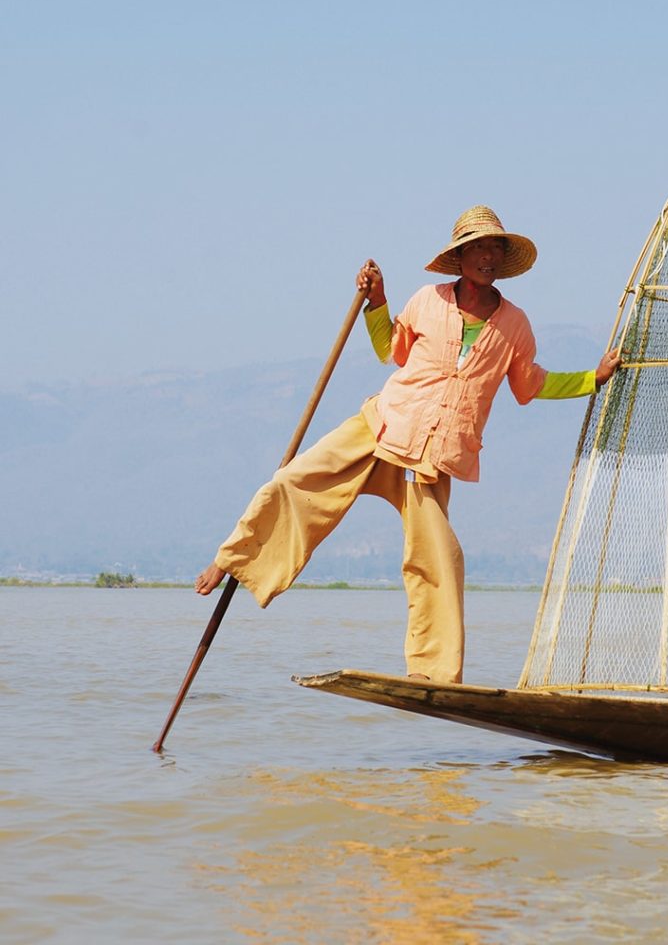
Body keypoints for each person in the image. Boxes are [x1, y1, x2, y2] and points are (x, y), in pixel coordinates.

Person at [195, 205, 620, 683]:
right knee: (295, 482)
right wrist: (377, 301)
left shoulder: (514, 325)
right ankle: (233, 558)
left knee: (438, 559)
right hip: (383, 425)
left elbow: (530, 384)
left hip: (436, 456)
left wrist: (593, 378)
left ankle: (433, 674)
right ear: (459, 258)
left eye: (494, 248)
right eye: (478, 247)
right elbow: (388, 350)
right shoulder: (426, 301)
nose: (487, 256)